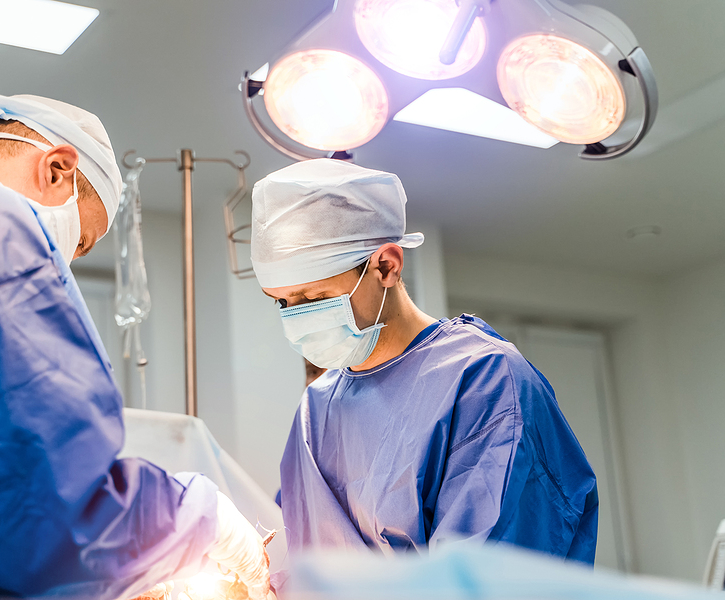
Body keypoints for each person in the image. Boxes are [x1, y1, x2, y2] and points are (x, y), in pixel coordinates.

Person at [0, 82, 270, 599]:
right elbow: (45, 521)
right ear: (56, 169)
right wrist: (200, 518)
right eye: (79, 242)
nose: (68, 262)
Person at [250, 159, 599, 563]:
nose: (296, 316)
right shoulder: (316, 410)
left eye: (315, 298)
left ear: (386, 266)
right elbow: (297, 558)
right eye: (281, 301)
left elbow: (487, 575)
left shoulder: (482, 380)